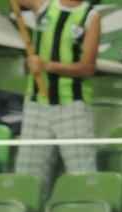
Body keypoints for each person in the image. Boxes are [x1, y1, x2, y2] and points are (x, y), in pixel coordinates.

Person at [14, 0, 100, 195]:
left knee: (82, 175)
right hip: (36, 105)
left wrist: (47, 66)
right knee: (28, 179)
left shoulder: (90, 16)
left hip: (73, 106)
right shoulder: (44, 4)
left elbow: (87, 67)